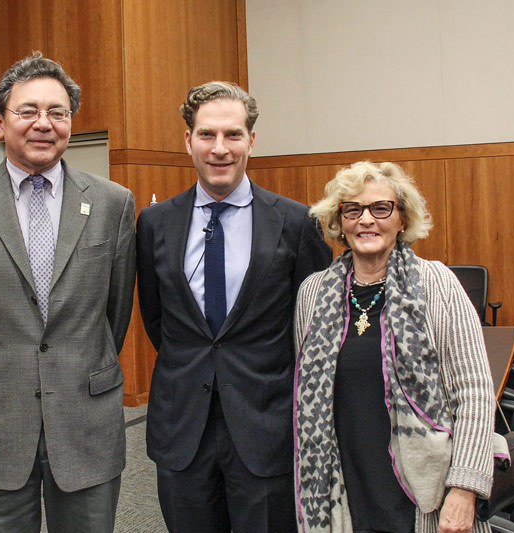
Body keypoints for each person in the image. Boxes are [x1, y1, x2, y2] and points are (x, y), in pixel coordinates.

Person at [0, 52, 136, 532]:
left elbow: (115, 313)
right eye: (28, 111)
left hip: (86, 423)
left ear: (70, 124)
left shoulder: (113, 203)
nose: (44, 123)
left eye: (57, 112)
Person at [136, 81, 331, 532]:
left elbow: (314, 327)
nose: (219, 148)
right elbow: (156, 318)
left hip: (266, 427)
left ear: (251, 140)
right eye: (207, 134)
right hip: (182, 427)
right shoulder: (155, 223)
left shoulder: (296, 222)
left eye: (233, 135)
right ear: (188, 141)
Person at [294, 161, 494, 533]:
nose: (366, 219)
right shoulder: (313, 293)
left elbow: (474, 392)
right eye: (353, 210)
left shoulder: (438, 284)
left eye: (380, 208)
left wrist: (465, 488)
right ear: (340, 221)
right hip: (346, 491)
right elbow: (305, 400)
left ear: (402, 219)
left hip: (425, 497)